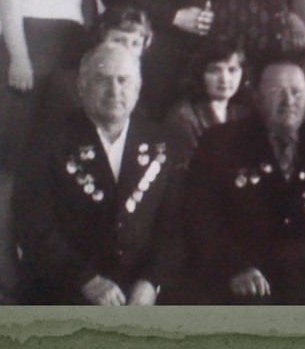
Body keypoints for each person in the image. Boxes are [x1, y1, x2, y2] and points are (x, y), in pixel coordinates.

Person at [0, 0, 95, 303]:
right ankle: (3, 265)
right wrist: (19, 57)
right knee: (14, 162)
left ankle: (44, 261)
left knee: (53, 159)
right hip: (30, 43)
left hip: (71, 47)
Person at [14, 43, 184, 305]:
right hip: (67, 289)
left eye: (123, 80)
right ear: (82, 87)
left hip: (142, 292)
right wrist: (87, 281)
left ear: (137, 89)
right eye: (103, 80)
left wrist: (151, 281)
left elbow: (174, 225)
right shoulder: (48, 141)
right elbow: (33, 224)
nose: (114, 90)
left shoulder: (163, 142)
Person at [183, 56, 305, 305]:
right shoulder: (220, 142)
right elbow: (200, 216)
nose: (289, 101)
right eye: (277, 92)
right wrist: (233, 267)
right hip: (243, 286)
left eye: (296, 92)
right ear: (257, 97)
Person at [164, 41, 252, 167]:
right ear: (200, 73)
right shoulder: (184, 117)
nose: (224, 79)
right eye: (215, 70)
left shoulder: (242, 113)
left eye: (232, 70)